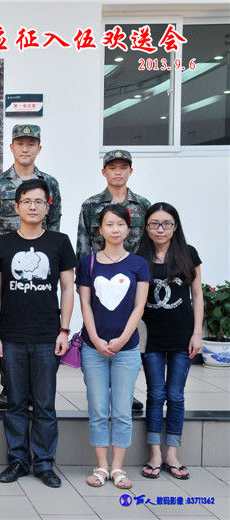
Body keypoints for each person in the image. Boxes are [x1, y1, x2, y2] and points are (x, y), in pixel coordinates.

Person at [0, 179, 76, 488]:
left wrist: (64, 330)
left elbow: (68, 288)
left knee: (45, 404)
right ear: (17, 206)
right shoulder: (2, 244)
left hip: (47, 335)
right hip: (11, 336)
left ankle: (45, 463)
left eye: (39, 202)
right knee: (15, 403)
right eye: (27, 201)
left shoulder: (59, 242)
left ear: (47, 207)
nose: (32, 207)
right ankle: (18, 461)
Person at [0, 124, 62, 410]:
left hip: (38, 265)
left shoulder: (50, 184)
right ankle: (8, 385)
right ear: (11, 147)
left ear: (39, 148)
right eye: (20, 143)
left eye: (31, 143)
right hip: (6, 264)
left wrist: (51, 260)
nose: (25, 148)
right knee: (6, 324)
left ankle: (37, 387)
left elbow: (54, 223)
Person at [77, 205, 150, 490]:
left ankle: (118, 468)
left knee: (121, 410)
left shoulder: (138, 264)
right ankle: (101, 467)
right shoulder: (88, 263)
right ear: (100, 229)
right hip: (92, 348)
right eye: (109, 224)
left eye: (120, 224)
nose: (115, 229)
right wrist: (95, 339)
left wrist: (122, 339)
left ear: (128, 229)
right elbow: (85, 304)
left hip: (127, 349)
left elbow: (139, 306)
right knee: (97, 409)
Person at [77, 149, 151, 412]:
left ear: (130, 171)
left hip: (133, 279)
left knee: (130, 335)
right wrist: (82, 283)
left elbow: (148, 246)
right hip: (97, 279)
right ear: (104, 171)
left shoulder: (143, 205)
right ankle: (102, 389)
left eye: (123, 167)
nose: (118, 172)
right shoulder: (90, 205)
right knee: (99, 331)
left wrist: (144, 277)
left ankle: (125, 392)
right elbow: (83, 244)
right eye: (112, 167)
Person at [138, 203, 203, 480]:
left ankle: (172, 454)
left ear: (175, 226)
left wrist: (197, 333)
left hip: (182, 336)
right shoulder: (139, 257)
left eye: (166, 224)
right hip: (150, 338)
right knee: (155, 394)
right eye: (154, 224)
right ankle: (155, 453)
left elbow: (197, 294)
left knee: (176, 395)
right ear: (146, 227)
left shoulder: (188, 254)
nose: (160, 229)